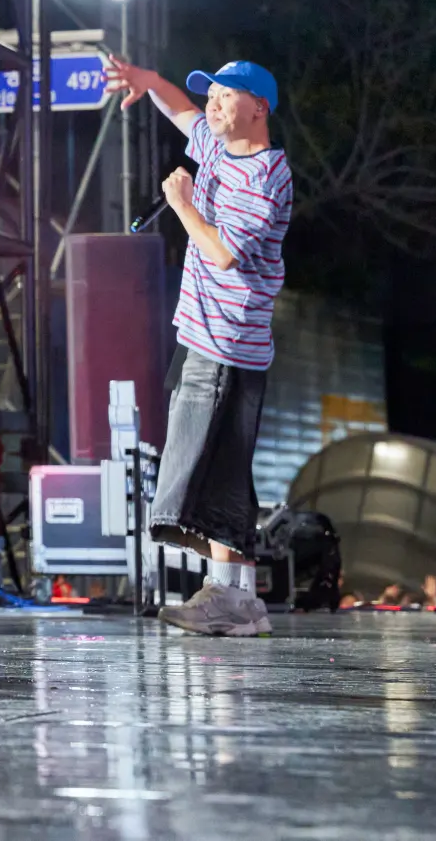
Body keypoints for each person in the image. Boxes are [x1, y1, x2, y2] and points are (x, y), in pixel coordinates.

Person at [105, 55, 294, 637]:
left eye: (225, 95)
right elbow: (179, 107)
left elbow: (224, 253)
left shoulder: (266, 175)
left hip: (228, 343)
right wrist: (147, 82)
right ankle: (238, 599)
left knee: (206, 471)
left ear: (258, 107)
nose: (212, 104)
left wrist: (183, 205)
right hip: (202, 336)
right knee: (226, 473)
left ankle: (227, 595)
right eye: (211, 94)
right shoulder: (214, 147)